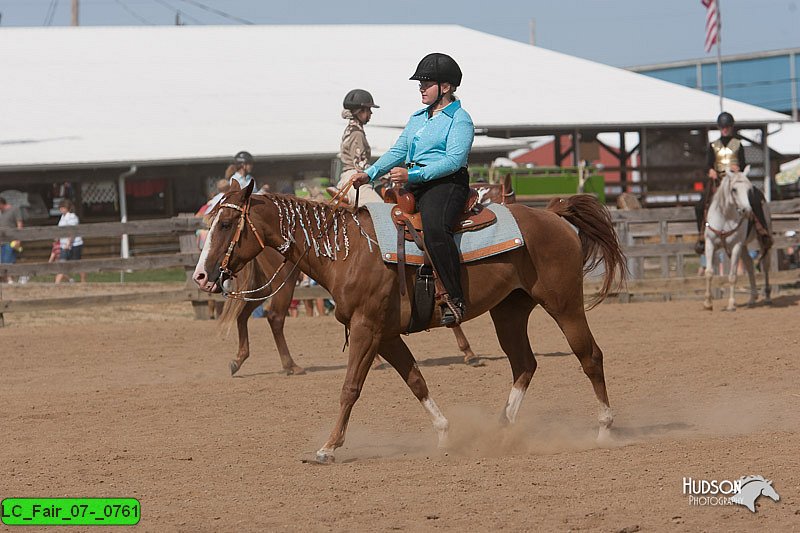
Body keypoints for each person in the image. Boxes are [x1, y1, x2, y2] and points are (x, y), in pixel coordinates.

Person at [351, 52, 474, 326]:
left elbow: (453, 161)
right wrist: (369, 173)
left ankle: (455, 298)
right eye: (420, 83)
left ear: (446, 87)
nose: (421, 87)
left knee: (434, 228)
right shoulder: (418, 117)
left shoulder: (460, 119)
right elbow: (398, 150)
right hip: (416, 183)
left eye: (427, 83)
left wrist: (412, 173)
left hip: (447, 184)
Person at [695, 111, 771, 254]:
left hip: (735, 180)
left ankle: (762, 230)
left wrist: (739, 168)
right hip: (718, 182)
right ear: (719, 128)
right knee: (700, 205)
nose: (725, 129)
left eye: (728, 126)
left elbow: (743, 163)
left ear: (731, 127)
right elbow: (707, 164)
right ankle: (701, 235)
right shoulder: (713, 146)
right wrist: (710, 171)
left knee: (754, 198)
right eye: (723, 127)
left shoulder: (738, 145)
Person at [332, 89, 382, 205]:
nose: (371, 113)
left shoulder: (351, 130)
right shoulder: (357, 134)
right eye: (368, 109)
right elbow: (360, 164)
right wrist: (386, 173)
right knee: (383, 210)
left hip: (349, 177)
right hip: (355, 179)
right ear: (359, 111)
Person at [54, 199, 86, 283]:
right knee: (62, 262)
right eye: (60, 207)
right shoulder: (62, 217)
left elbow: (72, 231)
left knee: (77, 263)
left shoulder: (72, 217)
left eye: (62, 207)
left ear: (67, 208)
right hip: (63, 244)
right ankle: (57, 283)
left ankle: (83, 280)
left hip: (75, 244)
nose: (61, 209)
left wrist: (69, 242)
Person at [0, 196, 24, 284]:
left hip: (11, 239)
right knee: (2, 260)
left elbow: (19, 223)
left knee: (8, 259)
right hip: (1, 240)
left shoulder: (14, 209)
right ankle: (7, 279)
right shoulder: (0, 213)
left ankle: (10, 279)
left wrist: (19, 238)